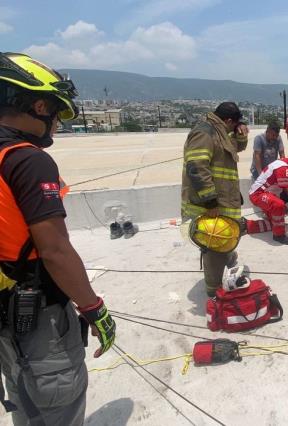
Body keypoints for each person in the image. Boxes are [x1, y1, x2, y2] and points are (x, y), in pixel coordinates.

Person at [0, 52, 115, 425]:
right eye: (54, 112)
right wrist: (93, 308)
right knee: (56, 403)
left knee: (24, 396)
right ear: (37, 104)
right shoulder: (28, 160)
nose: (55, 125)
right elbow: (55, 250)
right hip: (39, 316)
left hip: (6, 311)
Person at [181, 101, 249, 296]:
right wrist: (210, 202)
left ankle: (226, 260)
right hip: (209, 204)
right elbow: (196, 168)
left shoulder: (219, 130)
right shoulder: (204, 133)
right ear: (228, 120)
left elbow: (233, 149)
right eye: (233, 125)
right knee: (214, 244)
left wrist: (241, 136)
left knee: (223, 239)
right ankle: (215, 291)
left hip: (224, 200)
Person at [248, 150, 288, 245]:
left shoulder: (282, 164)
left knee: (274, 223)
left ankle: (247, 225)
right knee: (279, 205)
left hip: (264, 193)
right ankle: (278, 235)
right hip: (258, 194)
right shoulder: (283, 167)